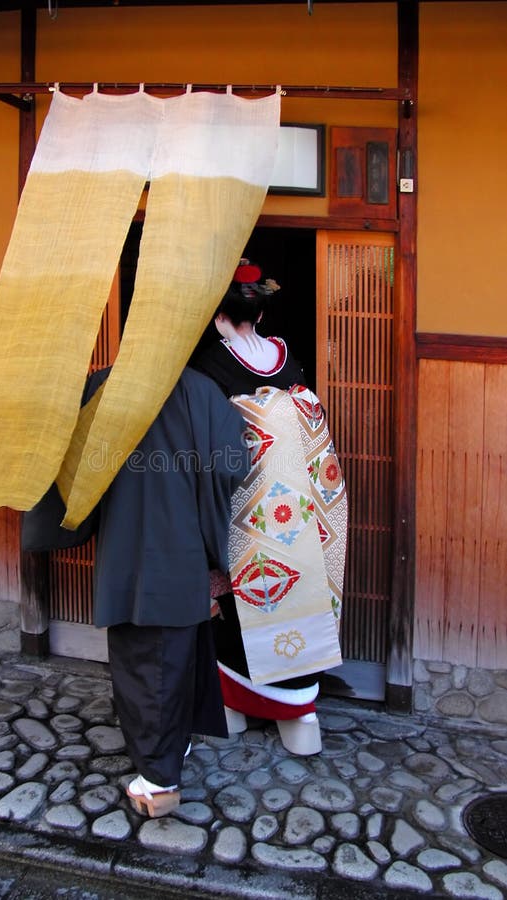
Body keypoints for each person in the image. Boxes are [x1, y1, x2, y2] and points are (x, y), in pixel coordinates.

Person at [22, 365, 250, 817]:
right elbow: (232, 465)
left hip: (125, 545)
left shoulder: (104, 386)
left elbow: (71, 457)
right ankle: (171, 752)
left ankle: (159, 782)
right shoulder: (202, 389)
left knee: (144, 663)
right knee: (173, 656)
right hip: (181, 545)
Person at [192, 259, 347, 756]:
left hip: (245, 509)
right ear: (259, 314)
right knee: (297, 593)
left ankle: (235, 709)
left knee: (243, 601)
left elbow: (208, 447)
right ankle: (300, 718)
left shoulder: (207, 366)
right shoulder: (288, 360)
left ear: (218, 314)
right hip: (299, 510)